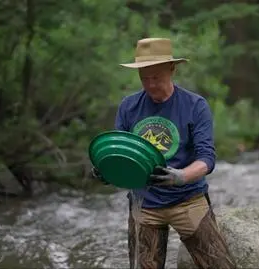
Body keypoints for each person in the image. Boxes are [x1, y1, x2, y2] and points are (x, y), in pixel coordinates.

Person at [91, 37, 236, 269]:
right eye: (144, 78)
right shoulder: (128, 107)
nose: (150, 85)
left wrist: (180, 176)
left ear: (172, 69)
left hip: (188, 200)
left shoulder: (195, 105)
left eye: (156, 77)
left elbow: (207, 158)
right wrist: (107, 170)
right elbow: (120, 153)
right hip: (144, 204)